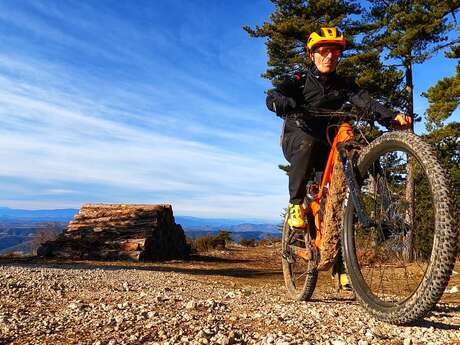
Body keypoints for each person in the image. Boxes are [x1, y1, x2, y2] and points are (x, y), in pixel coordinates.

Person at [266, 27, 411, 289]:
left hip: (331, 144)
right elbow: (275, 95)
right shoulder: (299, 79)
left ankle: (341, 262)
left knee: (341, 200)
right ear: (312, 55)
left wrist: (392, 116)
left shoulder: (344, 84)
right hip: (299, 138)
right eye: (323, 51)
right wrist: (281, 102)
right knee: (308, 143)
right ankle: (296, 203)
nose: (329, 56)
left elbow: (366, 101)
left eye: (334, 51)